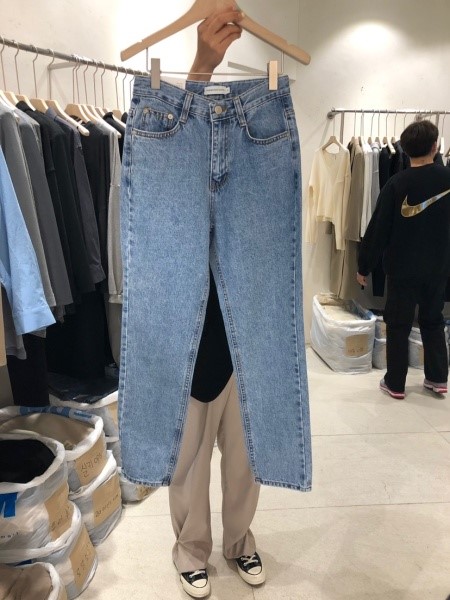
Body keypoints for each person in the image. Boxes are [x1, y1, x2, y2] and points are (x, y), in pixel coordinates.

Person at [168, 7, 265, 598]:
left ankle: (240, 539)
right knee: (188, 459)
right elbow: (177, 156)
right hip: (190, 328)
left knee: (244, 459)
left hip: (246, 330)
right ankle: (190, 548)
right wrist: (201, 65)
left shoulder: (259, 167)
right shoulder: (175, 169)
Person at [357, 119, 450, 400]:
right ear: (435, 146)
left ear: (405, 150)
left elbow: (378, 229)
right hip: (439, 267)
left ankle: (395, 383)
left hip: (402, 269)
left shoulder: (397, 184)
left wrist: (364, 266)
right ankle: (437, 379)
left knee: (398, 324)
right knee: (433, 320)